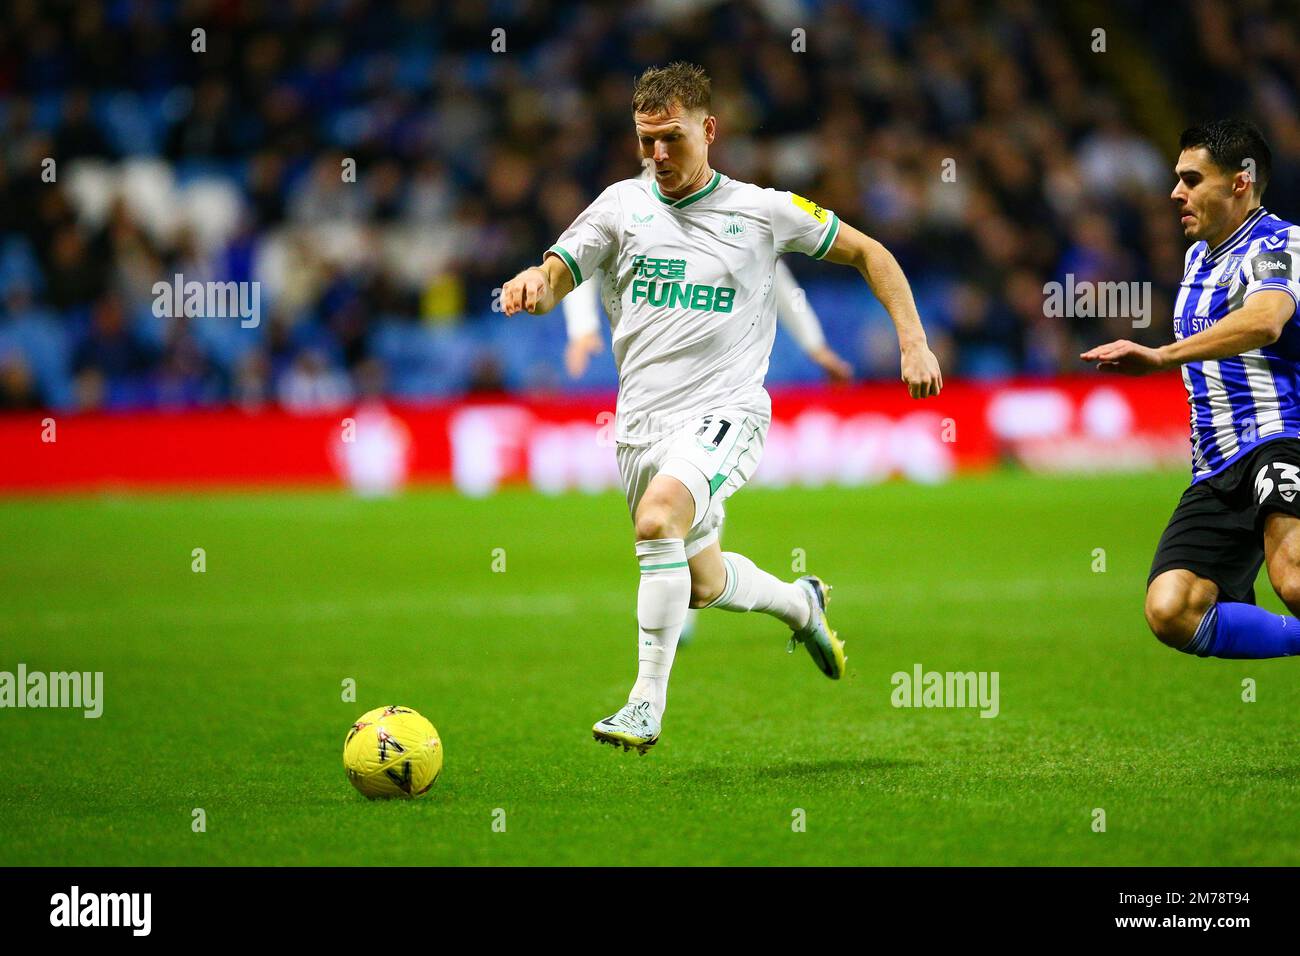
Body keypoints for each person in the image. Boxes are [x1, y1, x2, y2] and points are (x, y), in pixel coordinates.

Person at [501, 62, 942, 753]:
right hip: (641, 428)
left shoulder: (762, 212)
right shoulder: (620, 206)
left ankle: (645, 704)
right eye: (646, 140)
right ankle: (803, 604)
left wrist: (912, 343)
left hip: (726, 411)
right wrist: (536, 279)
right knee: (701, 579)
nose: (658, 155)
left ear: (709, 130)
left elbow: (872, 253)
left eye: (672, 138)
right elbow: (561, 270)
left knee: (657, 521)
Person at [1081, 119, 1300, 660]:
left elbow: (1266, 320)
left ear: (1239, 182)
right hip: (1215, 465)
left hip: (1280, 437)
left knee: (1292, 579)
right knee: (1171, 610)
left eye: (1191, 178)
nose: (1176, 192)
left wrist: (1159, 356)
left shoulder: (1279, 244)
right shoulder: (1198, 256)